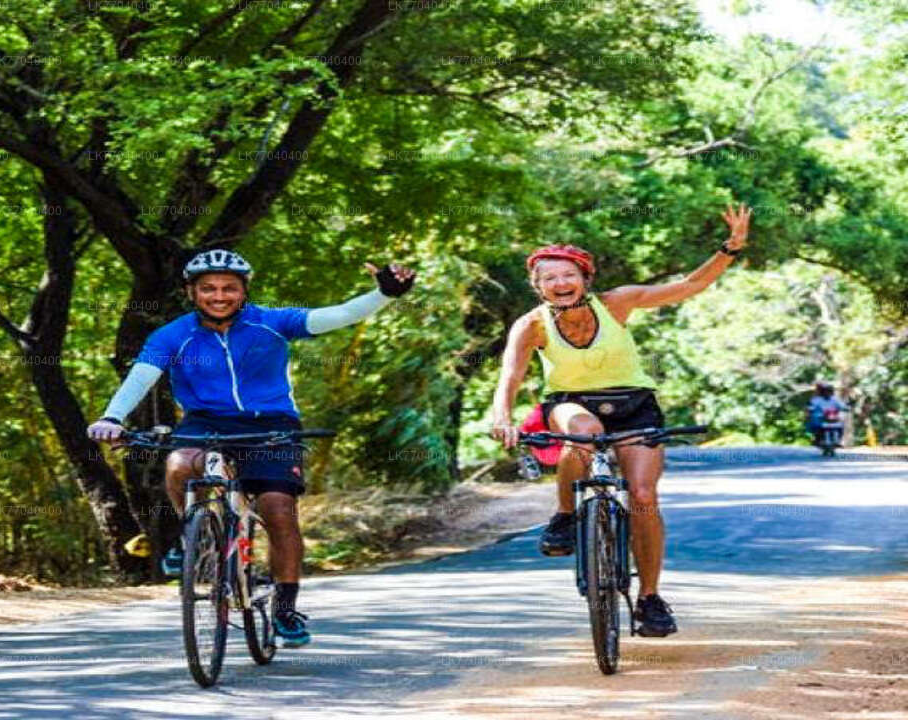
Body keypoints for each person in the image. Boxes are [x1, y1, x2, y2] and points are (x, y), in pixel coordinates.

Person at [87, 249, 415, 648]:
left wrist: (383, 294)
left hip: (271, 424)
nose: (219, 296)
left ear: (244, 291)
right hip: (205, 422)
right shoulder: (173, 335)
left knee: (278, 508)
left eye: (229, 288)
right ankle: (195, 539)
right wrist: (112, 418)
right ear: (191, 292)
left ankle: (285, 608)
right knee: (179, 463)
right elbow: (141, 376)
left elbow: (338, 315)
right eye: (208, 288)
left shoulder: (272, 322)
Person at [490, 204, 752, 638]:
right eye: (549, 278)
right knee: (584, 433)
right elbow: (511, 375)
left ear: (585, 278)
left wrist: (731, 248)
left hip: (634, 404)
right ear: (537, 286)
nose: (560, 283)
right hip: (572, 402)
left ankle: (649, 598)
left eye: (568, 275)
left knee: (644, 496)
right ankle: (564, 515)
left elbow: (689, 285)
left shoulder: (616, 304)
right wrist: (502, 418)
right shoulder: (531, 325)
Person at [806, 381, 848, 447]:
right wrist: (810, 410)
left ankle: (838, 440)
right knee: (815, 424)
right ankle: (817, 438)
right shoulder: (817, 400)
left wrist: (846, 407)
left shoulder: (835, 400)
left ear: (831, 392)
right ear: (823, 392)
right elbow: (811, 406)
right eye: (826, 391)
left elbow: (842, 406)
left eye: (829, 391)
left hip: (833, 418)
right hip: (821, 418)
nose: (827, 393)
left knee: (841, 424)